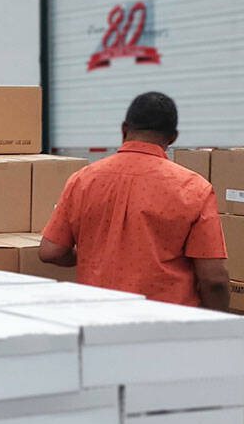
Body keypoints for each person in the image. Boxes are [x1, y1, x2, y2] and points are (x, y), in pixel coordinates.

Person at [38, 91, 230, 310]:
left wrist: (96, 255)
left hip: (97, 320)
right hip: (165, 325)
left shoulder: (83, 179)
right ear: (173, 137)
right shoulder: (193, 188)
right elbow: (213, 279)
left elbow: (50, 252)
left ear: (124, 129)